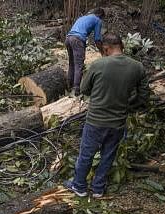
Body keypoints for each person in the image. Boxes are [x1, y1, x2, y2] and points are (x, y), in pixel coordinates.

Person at [63, 34, 150, 198]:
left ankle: (79, 186)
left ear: (106, 48)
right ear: (121, 46)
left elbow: (83, 89)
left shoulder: (98, 65)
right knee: (108, 156)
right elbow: (144, 95)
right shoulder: (137, 67)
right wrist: (130, 106)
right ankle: (98, 189)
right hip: (118, 122)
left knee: (86, 154)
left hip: (96, 120)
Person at [65, 8, 105, 96]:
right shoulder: (97, 20)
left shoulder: (82, 18)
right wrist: (103, 52)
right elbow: (97, 39)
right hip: (77, 40)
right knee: (79, 65)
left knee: (72, 64)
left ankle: (68, 86)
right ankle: (76, 90)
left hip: (68, 38)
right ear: (100, 15)